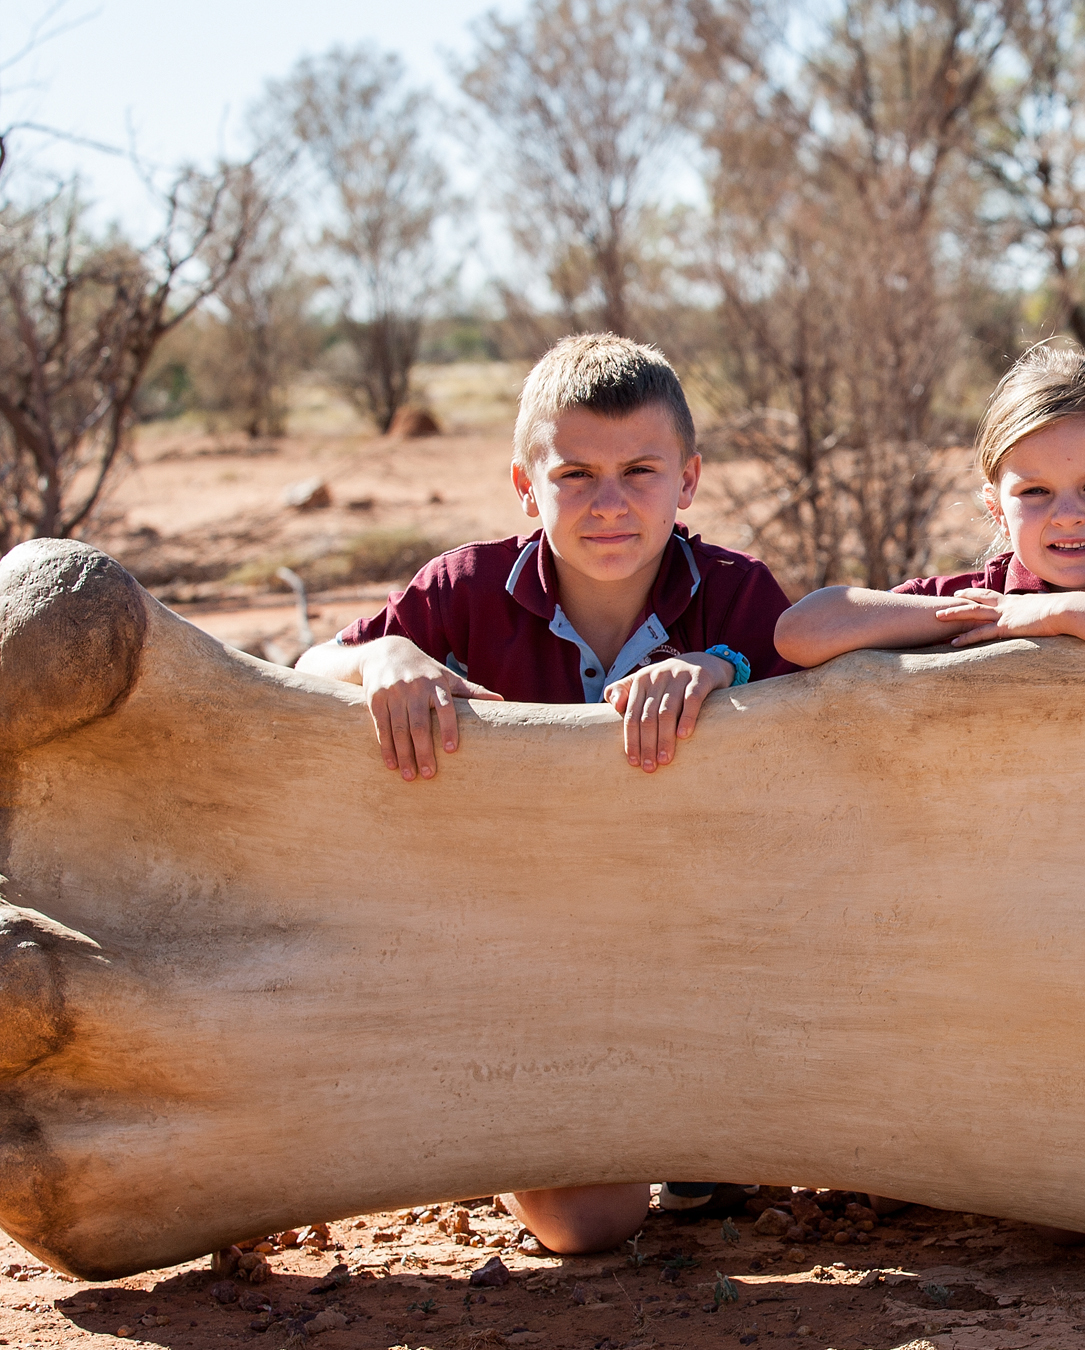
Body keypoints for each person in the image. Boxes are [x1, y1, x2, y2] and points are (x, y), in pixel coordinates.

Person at [295, 332, 791, 1253]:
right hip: (517, 951)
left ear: (688, 480)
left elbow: (818, 695)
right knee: (588, 1225)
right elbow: (307, 664)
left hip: (698, 946)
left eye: (640, 471)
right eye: (574, 476)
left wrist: (722, 667)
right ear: (526, 486)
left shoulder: (736, 595)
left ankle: (690, 1122)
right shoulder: (463, 592)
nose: (609, 504)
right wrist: (382, 657)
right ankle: (522, 1103)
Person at [775, 345, 1085, 684]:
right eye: (1035, 491)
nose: (1068, 515)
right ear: (997, 512)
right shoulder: (984, 598)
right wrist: (992, 616)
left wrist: (1058, 613)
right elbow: (801, 632)